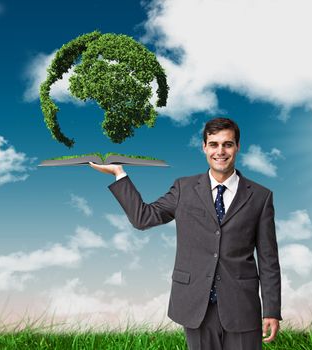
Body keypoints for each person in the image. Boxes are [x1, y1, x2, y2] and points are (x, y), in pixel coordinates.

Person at [89, 117, 282, 350]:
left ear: (237, 147)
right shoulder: (184, 188)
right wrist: (119, 174)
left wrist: (272, 310)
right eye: (214, 144)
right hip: (195, 305)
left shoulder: (260, 196)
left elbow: (268, 258)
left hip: (242, 306)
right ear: (204, 147)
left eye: (227, 144)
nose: (220, 151)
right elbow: (143, 218)